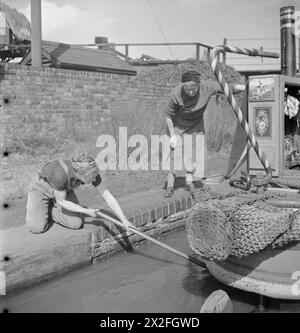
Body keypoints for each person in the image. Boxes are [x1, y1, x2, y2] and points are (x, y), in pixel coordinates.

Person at [164, 70, 245, 198]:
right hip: (177, 125)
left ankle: (189, 183)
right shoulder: (176, 93)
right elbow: (168, 116)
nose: (190, 92)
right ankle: (170, 186)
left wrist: (246, 87)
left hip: (196, 125)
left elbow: (226, 87)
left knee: (192, 154)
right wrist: (172, 134)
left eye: (193, 89)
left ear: (198, 85)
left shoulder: (207, 87)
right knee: (174, 155)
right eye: (187, 89)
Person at [26, 153, 134, 234]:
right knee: (37, 227)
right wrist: (86, 211)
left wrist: (124, 220)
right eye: (89, 177)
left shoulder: (91, 172)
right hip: (41, 187)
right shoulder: (61, 175)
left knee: (75, 223)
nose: (92, 180)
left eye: (93, 176)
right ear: (79, 174)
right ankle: (42, 208)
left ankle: (50, 209)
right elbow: (61, 201)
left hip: (63, 190)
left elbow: (107, 196)